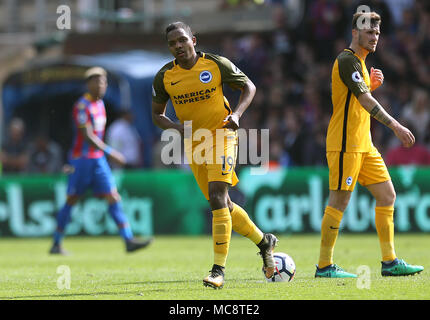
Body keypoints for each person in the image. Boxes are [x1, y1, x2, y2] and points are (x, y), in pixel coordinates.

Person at [151, 21, 277, 289]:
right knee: (225, 205)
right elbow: (156, 114)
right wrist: (174, 127)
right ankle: (263, 242)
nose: (177, 46)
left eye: (182, 40)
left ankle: (218, 270)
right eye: (172, 43)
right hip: (194, 143)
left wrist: (237, 115)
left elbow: (249, 87)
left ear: (193, 40)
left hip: (222, 135)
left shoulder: (215, 64)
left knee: (218, 197)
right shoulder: (164, 77)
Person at [316, 11, 424, 278]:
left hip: (364, 144)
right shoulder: (346, 60)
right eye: (369, 32)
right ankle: (324, 266)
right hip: (345, 144)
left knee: (387, 195)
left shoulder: (361, 65)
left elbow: (355, 99)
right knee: (339, 201)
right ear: (355, 33)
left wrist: (369, 85)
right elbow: (363, 102)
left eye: (377, 32)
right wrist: (396, 125)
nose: (374, 37)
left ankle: (390, 262)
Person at [49, 67, 152, 255]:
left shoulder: (101, 105)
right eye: (96, 81)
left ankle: (128, 239)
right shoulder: (82, 106)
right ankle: (56, 243)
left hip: (97, 160)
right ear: (88, 84)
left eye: (103, 81)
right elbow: (87, 135)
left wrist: (105, 154)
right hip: (81, 159)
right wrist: (111, 152)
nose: (101, 85)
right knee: (72, 199)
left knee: (113, 196)